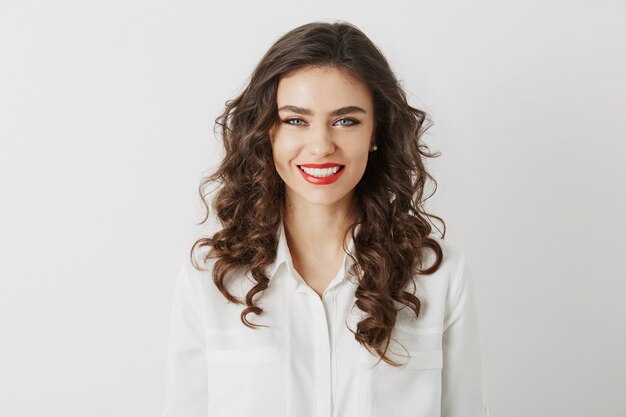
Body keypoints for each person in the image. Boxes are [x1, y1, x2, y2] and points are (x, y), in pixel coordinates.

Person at [162, 20, 489, 417]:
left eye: (346, 120)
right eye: (296, 120)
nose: (320, 145)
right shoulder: (210, 280)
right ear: (268, 131)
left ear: (376, 133)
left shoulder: (438, 276)